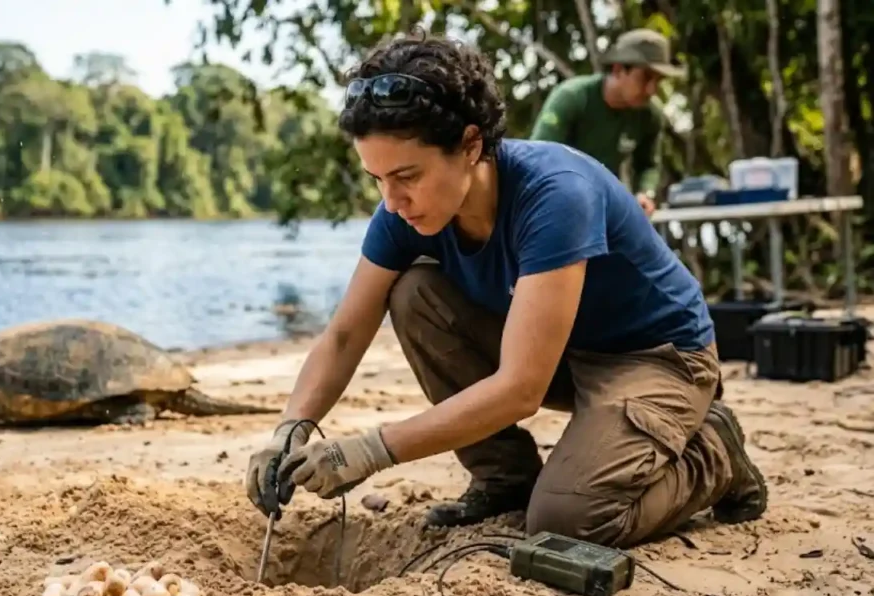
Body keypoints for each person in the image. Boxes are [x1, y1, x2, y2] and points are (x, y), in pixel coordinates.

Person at [243, 33, 768, 549]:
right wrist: (291, 427)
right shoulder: (402, 210)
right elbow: (343, 334)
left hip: (658, 358)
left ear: (471, 144)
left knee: (569, 518)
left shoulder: (556, 193)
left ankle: (714, 452)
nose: (393, 199)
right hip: (562, 350)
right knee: (414, 294)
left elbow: (522, 389)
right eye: (376, 178)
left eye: (406, 175)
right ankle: (504, 478)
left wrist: (371, 450)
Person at [529, 28, 684, 217]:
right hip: (555, 206)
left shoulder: (650, 116)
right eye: (646, 78)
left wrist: (645, 193)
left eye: (658, 80)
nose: (651, 89)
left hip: (604, 210)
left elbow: (648, 164)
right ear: (619, 70)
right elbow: (538, 159)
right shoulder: (572, 98)